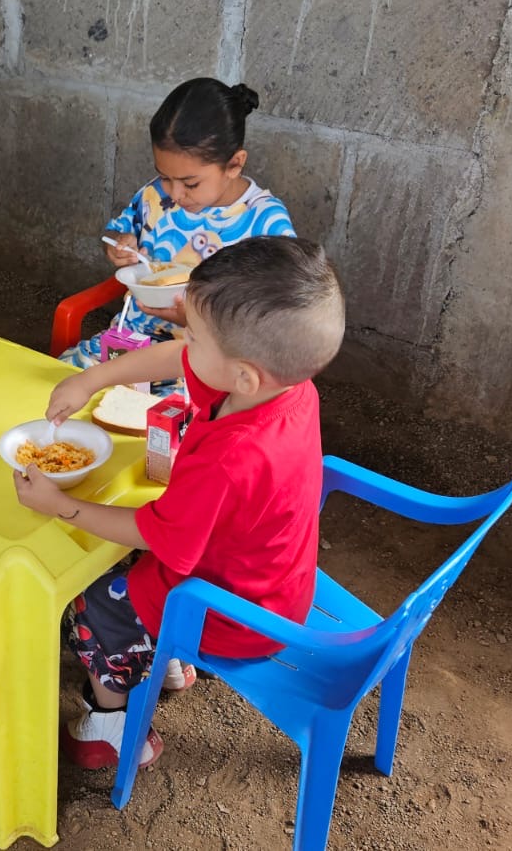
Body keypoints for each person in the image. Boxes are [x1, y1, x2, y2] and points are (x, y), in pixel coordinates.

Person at [18, 236, 344, 768]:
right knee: (121, 559)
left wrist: (60, 505)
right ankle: (167, 661)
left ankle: (113, 726)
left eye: (194, 333)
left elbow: (154, 535)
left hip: (234, 613)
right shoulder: (282, 389)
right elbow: (184, 357)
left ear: (244, 374)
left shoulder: (228, 457)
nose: (184, 341)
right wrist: (93, 378)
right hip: (275, 582)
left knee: (92, 600)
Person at [63, 77, 298, 373]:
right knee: (57, 384)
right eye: (165, 176)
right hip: (127, 345)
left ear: (235, 164)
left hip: (205, 367)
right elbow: (114, 233)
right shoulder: (154, 195)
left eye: (190, 183)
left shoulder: (265, 222)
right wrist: (118, 244)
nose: (174, 194)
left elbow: (278, 319)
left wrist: (197, 321)